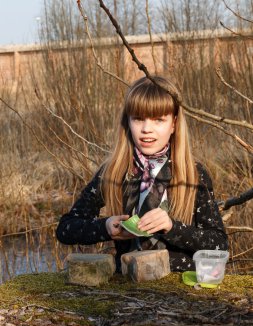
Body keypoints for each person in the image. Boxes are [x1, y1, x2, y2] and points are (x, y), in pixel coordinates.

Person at [56, 75, 228, 272]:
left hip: (179, 291)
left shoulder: (193, 174)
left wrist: (172, 227)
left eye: (159, 120)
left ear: (173, 124)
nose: (147, 129)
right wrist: (105, 227)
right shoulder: (113, 172)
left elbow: (219, 243)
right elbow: (65, 229)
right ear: (127, 121)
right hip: (129, 292)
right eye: (138, 118)